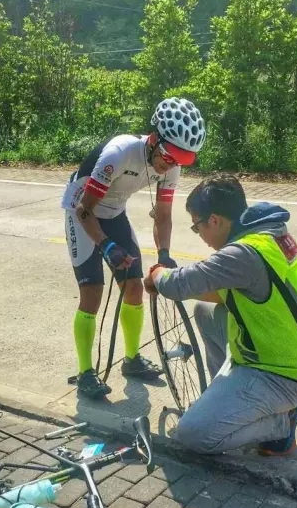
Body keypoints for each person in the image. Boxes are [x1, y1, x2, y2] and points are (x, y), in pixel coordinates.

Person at [144, 174, 297, 456]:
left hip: (281, 376)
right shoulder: (266, 235)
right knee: (205, 311)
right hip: (278, 354)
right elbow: (218, 293)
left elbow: (181, 283)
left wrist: (157, 274)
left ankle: (281, 422)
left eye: (196, 226)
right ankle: (227, 404)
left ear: (214, 220)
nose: (199, 234)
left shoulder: (243, 254)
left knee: (192, 435)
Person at [61, 97, 206, 399]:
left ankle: (132, 360)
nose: (171, 164)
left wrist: (164, 255)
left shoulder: (170, 167)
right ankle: (87, 372)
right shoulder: (119, 153)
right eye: (169, 155)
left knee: (135, 288)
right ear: (154, 139)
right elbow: (84, 210)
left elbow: (163, 215)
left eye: (181, 159)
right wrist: (106, 245)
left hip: (113, 212)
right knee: (93, 291)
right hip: (83, 209)